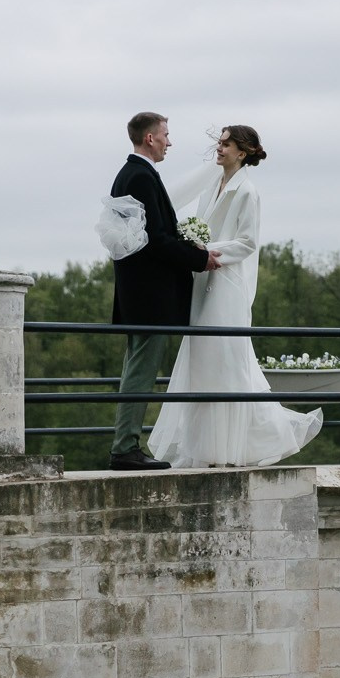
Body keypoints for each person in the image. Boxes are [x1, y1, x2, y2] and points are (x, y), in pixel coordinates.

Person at [148, 125, 323, 468]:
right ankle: (208, 449)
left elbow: (247, 243)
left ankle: (235, 447)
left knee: (225, 360)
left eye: (226, 143)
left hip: (226, 284)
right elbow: (200, 224)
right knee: (203, 361)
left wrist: (206, 249)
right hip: (204, 281)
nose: (220, 148)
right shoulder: (212, 186)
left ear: (242, 153)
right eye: (220, 142)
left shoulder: (248, 192)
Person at [108, 112, 217, 471]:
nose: (170, 142)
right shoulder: (139, 176)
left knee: (136, 368)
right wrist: (199, 259)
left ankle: (125, 445)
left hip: (141, 293)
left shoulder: (133, 173)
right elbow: (155, 240)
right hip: (148, 295)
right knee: (140, 371)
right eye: (166, 135)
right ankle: (125, 448)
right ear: (150, 139)